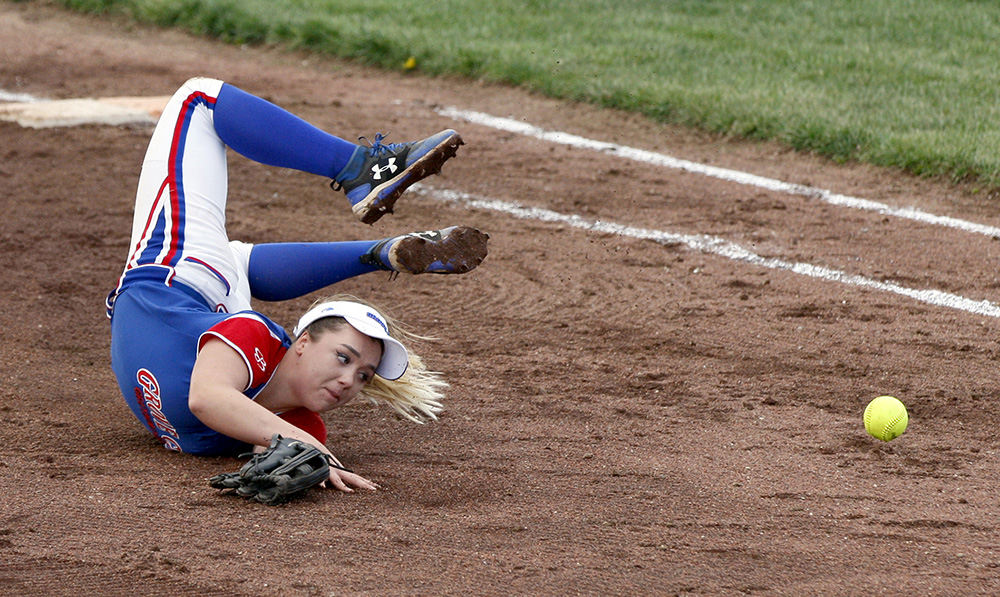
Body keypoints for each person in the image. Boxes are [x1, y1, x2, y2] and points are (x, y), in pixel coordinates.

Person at [106, 77, 488, 492]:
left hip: (198, 296)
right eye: (344, 358)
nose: (349, 382)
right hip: (175, 273)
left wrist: (308, 462)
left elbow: (266, 450)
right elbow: (207, 399)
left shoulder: (301, 424)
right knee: (199, 100)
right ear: (301, 342)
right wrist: (303, 443)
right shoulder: (256, 335)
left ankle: (381, 252)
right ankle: (360, 169)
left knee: (233, 260)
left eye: (363, 376)